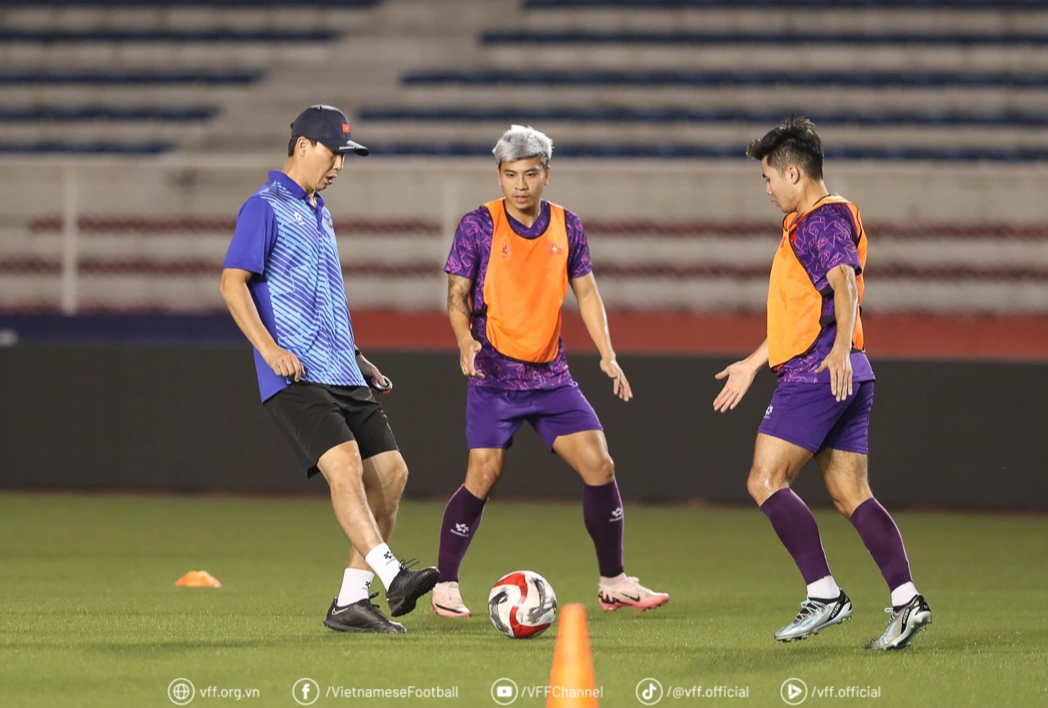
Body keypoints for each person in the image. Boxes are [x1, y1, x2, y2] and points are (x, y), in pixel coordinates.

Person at [431, 125, 668, 618]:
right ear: (499, 176)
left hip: (551, 376)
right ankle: (445, 585)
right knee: (483, 474)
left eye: (531, 174)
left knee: (600, 464)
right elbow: (456, 295)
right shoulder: (478, 225)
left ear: (546, 175)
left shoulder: (568, 226)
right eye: (511, 174)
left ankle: (614, 581)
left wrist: (607, 353)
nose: (520, 184)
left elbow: (586, 292)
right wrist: (464, 340)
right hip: (493, 373)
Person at [219, 104, 439, 634]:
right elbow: (232, 283)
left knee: (392, 474)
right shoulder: (263, 206)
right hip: (294, 374)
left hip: (342, 369)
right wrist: (270, 349)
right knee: (344, 465)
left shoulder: (320, 209)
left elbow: (326, 297)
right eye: (333, 151)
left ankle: (349, 602)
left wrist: (357, 355)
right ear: (302, 147)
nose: (340, 163)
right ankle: (393, 576)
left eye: (345, 154)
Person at [713, 116, 931, 649]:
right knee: (850, 492)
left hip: (819, 371)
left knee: (765, 480)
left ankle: (825, 594)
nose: (766, 190)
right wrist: (752, 362)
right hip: (848, 369)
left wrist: (833, 351)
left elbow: (843, 280)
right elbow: (808, 311)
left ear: (793, 173)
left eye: (768, 179)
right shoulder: (821, 219)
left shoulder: (819, 221)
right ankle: (906, 601)